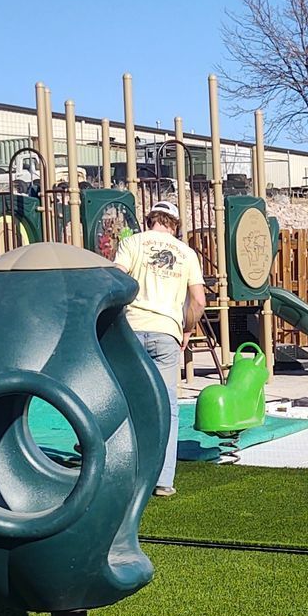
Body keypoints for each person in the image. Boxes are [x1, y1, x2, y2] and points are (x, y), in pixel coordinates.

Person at [113, 199, 206, 497]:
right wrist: (187, 328)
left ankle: (122, 472)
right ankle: (164, 480)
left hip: (132, 329)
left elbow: (115, 280)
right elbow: (199, 302)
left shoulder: (133, 244)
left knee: (125, 401)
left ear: (149, 219)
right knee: (167, 406)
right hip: (167, 332)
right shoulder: (187, 254)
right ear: (174, 224)